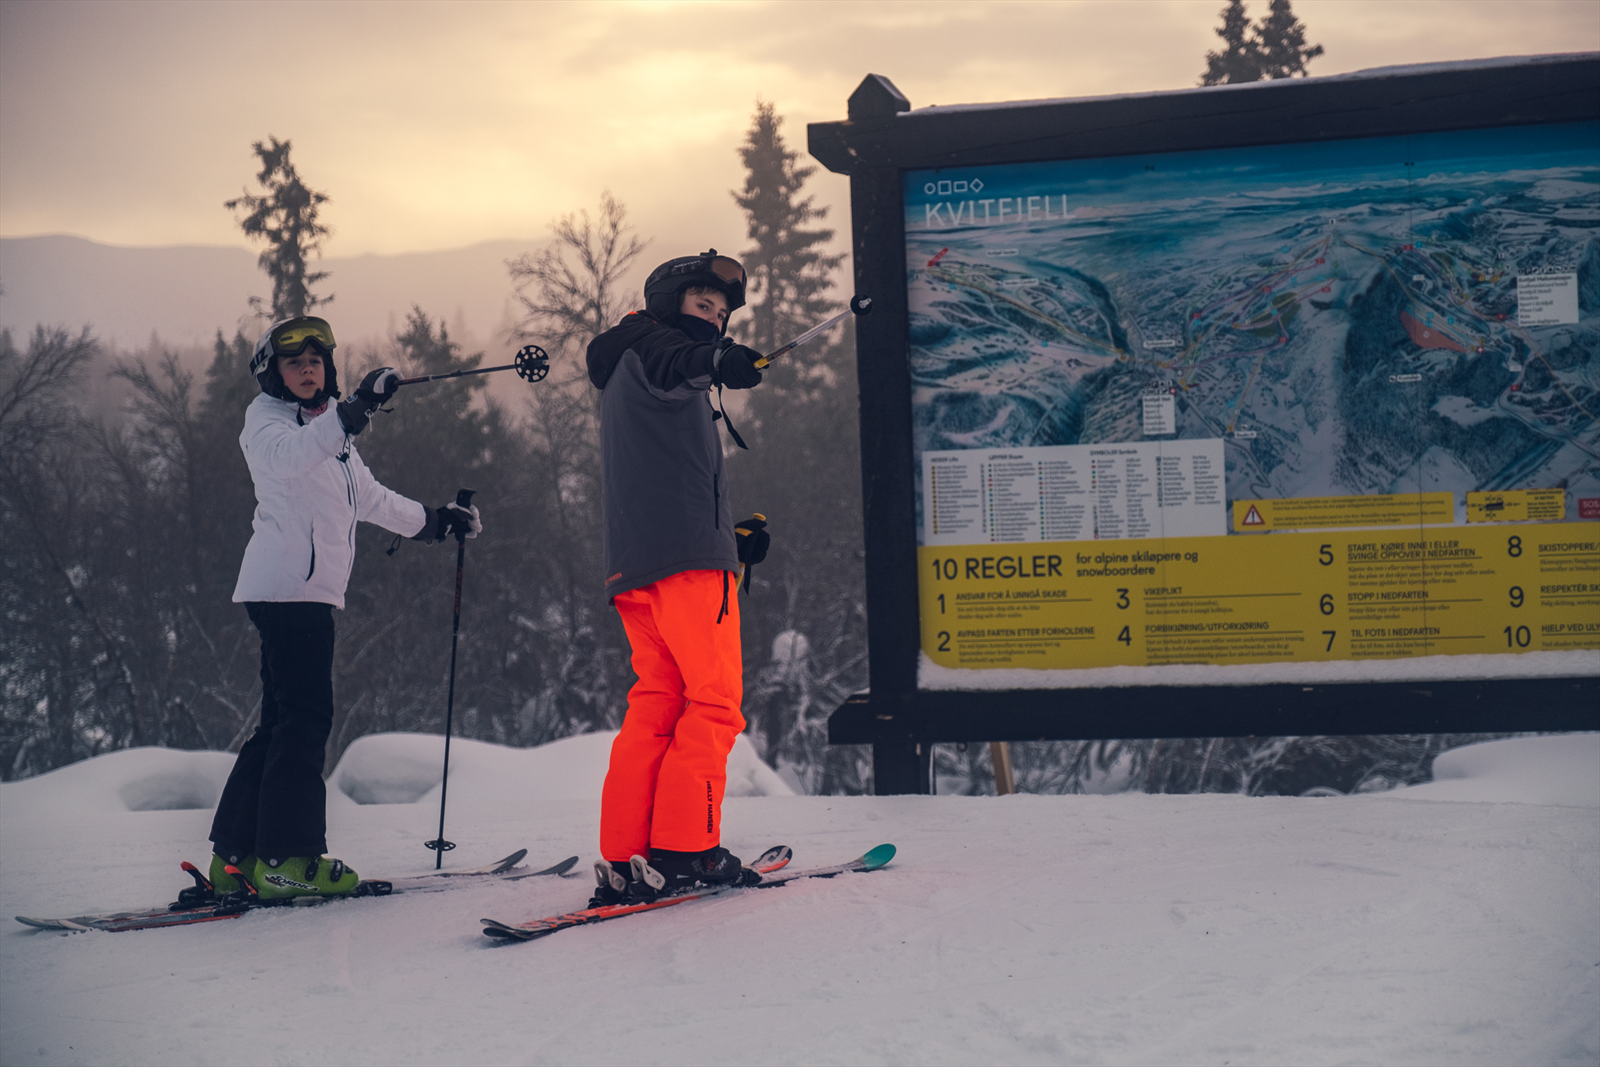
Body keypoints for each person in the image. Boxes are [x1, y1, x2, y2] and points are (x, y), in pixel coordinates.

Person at [208, 315, 482, 900]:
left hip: (297, 592)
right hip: (289, 590)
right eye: (294, 363)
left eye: (317, 362)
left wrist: (435, 523)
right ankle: (290, 858)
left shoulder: (331, 436)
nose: (308, 369)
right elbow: (292, 458)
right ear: (274, 375)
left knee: (282, 723)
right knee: (305, 721)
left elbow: (372, 498)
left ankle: (237, 857)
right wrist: (354, 408)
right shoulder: (270, 423)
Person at [585, 250, 772, 905]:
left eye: (720, 316)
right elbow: (682, 359)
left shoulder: (624, 364)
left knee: (658, 702)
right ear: (668, 303)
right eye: (703, 306)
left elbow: (667, 474)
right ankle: (688, 845)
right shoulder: (663, 353)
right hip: (688, 565)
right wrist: (716, 359)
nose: (714, 321)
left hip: (638, 564)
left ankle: (628, 853)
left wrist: (733, 536)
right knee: (714, 703)